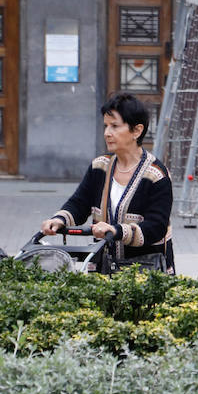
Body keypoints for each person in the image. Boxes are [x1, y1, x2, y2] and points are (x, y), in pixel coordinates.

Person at [40, 92, 175, 272]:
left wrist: (116, 230)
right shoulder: (100, 166)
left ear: (137, 130)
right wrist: (59, 220)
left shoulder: (157, 175)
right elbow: (80, 203)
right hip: (104, 269)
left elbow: (156, 227)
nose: (107, 133)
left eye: (114, 126)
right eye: (105, 126)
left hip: (145, 273)